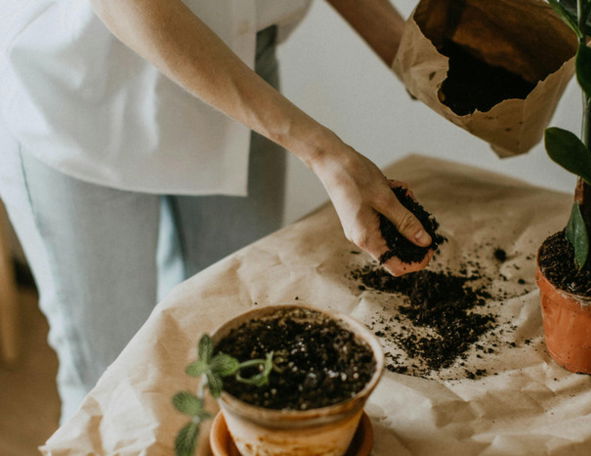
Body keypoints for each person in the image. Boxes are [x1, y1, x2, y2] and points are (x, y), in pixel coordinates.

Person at [0, 0, 433, 424]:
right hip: (83, 84)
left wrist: (428, 74)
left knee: (234, 333)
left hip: (239, 65)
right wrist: (323, 153)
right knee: (109, 373)